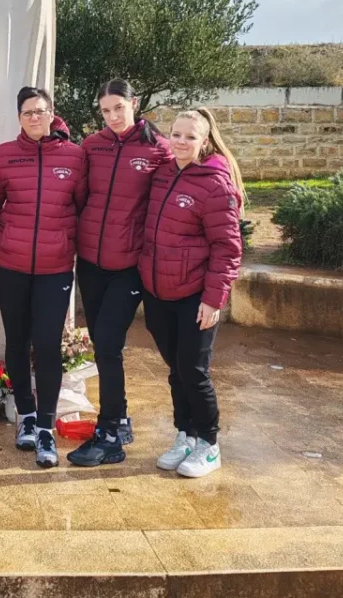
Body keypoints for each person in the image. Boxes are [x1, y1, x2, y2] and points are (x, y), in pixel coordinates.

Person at [67, 79, 174, 467]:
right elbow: (80, 195)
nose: (113, 116)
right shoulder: (92, 146)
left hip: (128, 267)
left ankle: (110, 433)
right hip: (91, 263)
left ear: (134, 104)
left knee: (109, 345)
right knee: (102, 344)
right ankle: (121, 415)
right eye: (105, 111)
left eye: (119, 108)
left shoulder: (158, 149)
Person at [138, 107, 243, 478]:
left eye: (190, 137)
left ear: (205, 141)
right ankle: (185, 434)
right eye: (176, 134)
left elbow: (227, 248)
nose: (181, 142)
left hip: (195, 295)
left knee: (193, 371)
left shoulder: (215, 184)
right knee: (176, 370)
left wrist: (214, 300)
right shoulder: (163, 174)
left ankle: (209, 444)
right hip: (158, 291)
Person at [0, 86, 87, 468]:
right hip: (9, 266)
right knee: (17, 341)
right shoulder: (3, 156)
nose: (34, 117)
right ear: (19, 117)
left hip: (54, 267)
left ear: (51, 113)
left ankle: (46, 427)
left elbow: (81, 204)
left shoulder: (75, 156)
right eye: (27, 112)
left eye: (40, 111)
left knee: (47, 345)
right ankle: (26, 416)